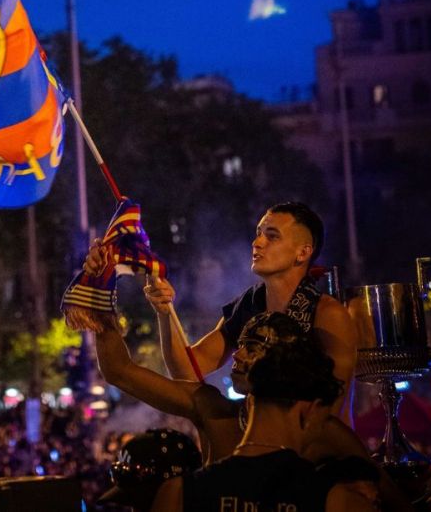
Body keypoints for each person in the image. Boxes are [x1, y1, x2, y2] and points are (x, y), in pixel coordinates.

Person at [78, 309, 412, 510]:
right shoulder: (211, 407)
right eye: (239, 346)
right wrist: (101, 308)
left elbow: (393, 500)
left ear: (287, 357)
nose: (237, 356)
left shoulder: (324, 431)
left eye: (252, 346)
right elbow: (119, 371)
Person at [86, 202, 358, 419]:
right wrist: (165, 312)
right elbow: (188, 371)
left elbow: (333, 406)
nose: (258, 243)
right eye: (258, 234)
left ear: (303, 252)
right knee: (204, 400)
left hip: (314, 455)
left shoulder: (326, 313)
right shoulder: (250, 305)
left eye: (272, 236)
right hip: (259, 437)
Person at [149, 324, 375, 511]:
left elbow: (121, 371)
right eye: (324, 419)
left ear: (251, 401)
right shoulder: (338, 502)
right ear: (309, 410)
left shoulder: (176, 494)